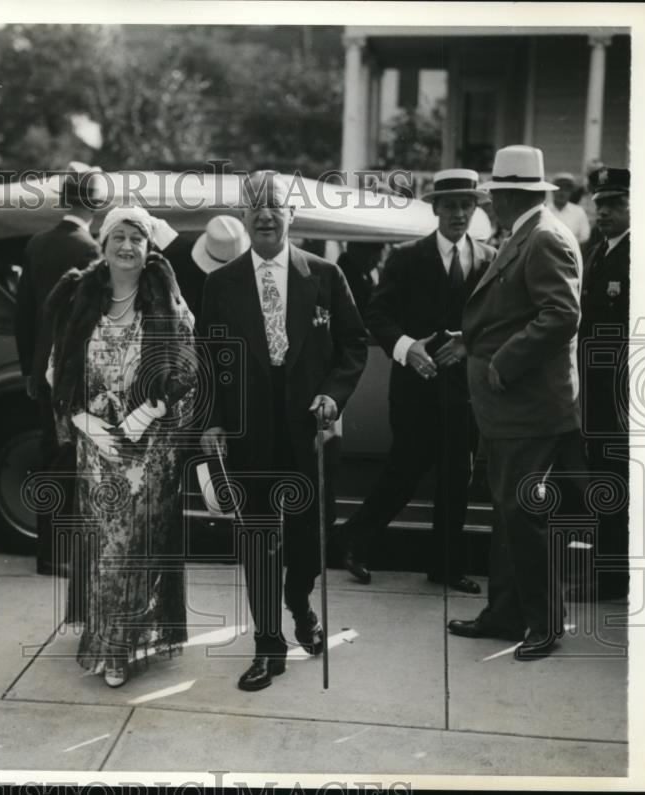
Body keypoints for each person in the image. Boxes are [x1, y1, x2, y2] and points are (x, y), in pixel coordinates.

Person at [199, 171, 368, 691]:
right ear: (244, 218)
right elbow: (206, 358)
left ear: (292, 215)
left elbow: (353, 345)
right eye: (255, 208)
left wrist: (332, 396)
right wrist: (210, 420)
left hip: (309, 431)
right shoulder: (220, 284)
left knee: (307, 542)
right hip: (250, 429)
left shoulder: (324, 274)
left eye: (275, 206)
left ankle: (300, 602)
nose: (266, 215)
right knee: (257, 540)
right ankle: (267, 644)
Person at [44, 206, 196, 688]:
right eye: (119, 237)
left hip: (152, 448)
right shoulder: (80, 300)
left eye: (137, 238)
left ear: (149, 249)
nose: (127, 246)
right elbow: (57, 371)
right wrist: (86, 421)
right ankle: (113, 640)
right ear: (103, 245)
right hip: (98, 448)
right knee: (111, 548)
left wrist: (142, 415)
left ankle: (124, 641)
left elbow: (186, 372)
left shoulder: (167, 304)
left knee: (137, 547)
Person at [449, 145, 585, 661]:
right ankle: (507, 614)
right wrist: (472, 340)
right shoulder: (531, 232)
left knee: (522, 514)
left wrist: (502, 359)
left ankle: (544, 624)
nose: (487, 204)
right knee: (509, 514)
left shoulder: (544, 237)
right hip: (514, 408)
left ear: (506, 196)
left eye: (491, 195)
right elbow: (518, 310)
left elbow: (561, 315)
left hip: (529, 408)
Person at [340, 169, 497, 593]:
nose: (459, 214)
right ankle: (354, 540)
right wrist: (408, 347)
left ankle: (445, 567)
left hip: (465, 388)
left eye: (467, 205)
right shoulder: (407, 256)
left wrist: (470, 341)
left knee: (456, 477)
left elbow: (498, 319)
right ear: (435, 209)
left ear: (476, 208)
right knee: (405, 470)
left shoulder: (489, 257)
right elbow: (376, 314)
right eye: (450, 206)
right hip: (414, 387)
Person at [15, 164, 102, 576]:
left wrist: (29, 370)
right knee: (71, 461)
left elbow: (24, 314)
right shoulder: (90, 250)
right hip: (74, 373)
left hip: (42, 370)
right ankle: (59, 555)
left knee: (51, 455)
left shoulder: (36, 244)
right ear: (96, 206)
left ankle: (47, 552)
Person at [571, 167, 630, 602]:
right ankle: (606, 573)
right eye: (601, 204)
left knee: (619, 486)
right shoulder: (596, 253)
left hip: (624, 398)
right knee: (605, 483)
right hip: (596, 397)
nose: (604, 212)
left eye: (616, 204)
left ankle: (613, 580)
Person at [547, 172, 591, 246]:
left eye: (566, 190)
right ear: (553, 191)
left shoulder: (579, 211)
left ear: (571, 192)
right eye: (559, 189)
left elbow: (585, 237)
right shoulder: (544, 210)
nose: (562, 193)